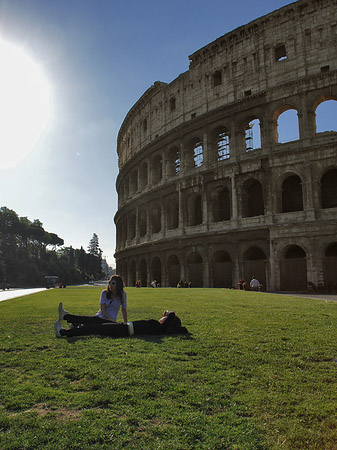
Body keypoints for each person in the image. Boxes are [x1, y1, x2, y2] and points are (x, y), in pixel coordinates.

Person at [55, 307, 188, 338]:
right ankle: (67, 316)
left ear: (167, 322)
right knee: (96, 321)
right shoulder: (158, 327)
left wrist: (166, 313)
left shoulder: (160, 328)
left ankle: (64, 333)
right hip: (123, 327)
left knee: (94, 328)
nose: (162, 316)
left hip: (123, 330)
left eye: (164, 317)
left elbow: (171, 314)